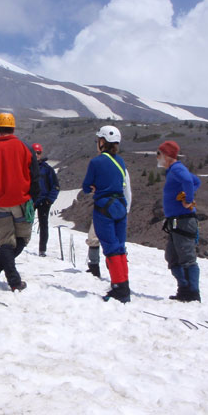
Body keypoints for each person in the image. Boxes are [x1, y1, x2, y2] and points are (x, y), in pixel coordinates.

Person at [0, 112, 39, 292]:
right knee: (22, 239)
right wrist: (34, 199)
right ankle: (12, 280)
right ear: (13, 128)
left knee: (6, 242)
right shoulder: (25, 148)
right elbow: (35, 176)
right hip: (21, 202)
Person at [82, 125, 132, 302]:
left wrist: (94, 187)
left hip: (104, 207)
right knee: (119, 246)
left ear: (102, 141)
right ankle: (124, 283)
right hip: (120, 206)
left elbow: (86, 186)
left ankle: (119, 288)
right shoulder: (121, 161)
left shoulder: (96, 162)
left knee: (110, 247)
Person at [158, 140, 202, 302]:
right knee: (172, 256)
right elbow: (196, 182)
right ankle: (184, 288)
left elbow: (190, 182)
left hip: (183, 220)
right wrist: (185, 195)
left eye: (159, 154)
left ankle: (192, 293)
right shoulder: (173, 170)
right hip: (176, 221)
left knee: (186, 257)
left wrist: (188, 199)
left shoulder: (177, 169)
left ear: (167, 155)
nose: (158, 158)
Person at [32, 143, 60, 257]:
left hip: (44, 201)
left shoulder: (47, 169)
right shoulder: (26, 167)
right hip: (31, 200)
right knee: (25, 223)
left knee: (43, 225)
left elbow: (56, 186)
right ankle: (21, 245)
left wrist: (49, 200)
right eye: (34, 153)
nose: (36, 155)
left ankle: (42, 250)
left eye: (38, 153)